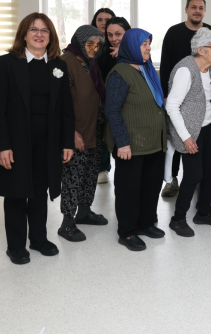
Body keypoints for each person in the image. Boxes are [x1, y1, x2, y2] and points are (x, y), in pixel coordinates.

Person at [0, 13, 75, 265]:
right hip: (16, 143)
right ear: (24, 34)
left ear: (51, 36)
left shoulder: (59, 65)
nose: (39, 34)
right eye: (33, 29)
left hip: (47, 143)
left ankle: (38, 239)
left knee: (39, 192)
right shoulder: (7, 63)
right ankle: (15, 246)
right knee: (16, 193)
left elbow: (66, 109)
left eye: (44, 30)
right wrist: (1, 146)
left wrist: (67, 142)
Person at [105, 28, 167, 251]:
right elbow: (112, 110)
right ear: (132, 46)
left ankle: (146, 223)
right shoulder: (120, 73)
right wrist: (122, 142)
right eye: (144, 44)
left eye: (149, 43)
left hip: (153, 141)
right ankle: (127, 231)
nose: (149, 48)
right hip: (131, 144)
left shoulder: (147, 69)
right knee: (129, 189)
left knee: (151, 185)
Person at [165, 28, 211, 237]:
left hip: (208, 126)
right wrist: (186, 137)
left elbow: (205, 98)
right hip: (191, 131)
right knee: (193, 175)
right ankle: (178, 219)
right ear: (200, 50)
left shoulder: (208, 68)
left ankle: (203, 212)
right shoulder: (186, 70)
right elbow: (172, 106)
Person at [159, 0, 211, 198]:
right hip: (177, 93)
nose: (197, 11)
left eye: (201, 8)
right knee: (177, 139)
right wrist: (166, 95)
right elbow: (165, 64)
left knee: (197, 147)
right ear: (186, 10)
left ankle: (194, 180)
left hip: (198, 99)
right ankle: (172, 180)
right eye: (194, 7)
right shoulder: (174, 32)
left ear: (204, 11)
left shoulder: (210, 32)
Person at [57, 25, 108, 243]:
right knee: (73, 177)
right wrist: (72, 133)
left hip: (93, 129)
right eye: (90, 44)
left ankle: (84, 212)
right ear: (79, 42)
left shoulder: (90, 62)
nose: (94, 49)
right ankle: (67, 223)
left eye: (98, 45)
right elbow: (59, 103)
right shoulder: (65, 62)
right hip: (77, 132)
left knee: (89, 173)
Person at [96, 16, 131, 184]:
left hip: (133, 111)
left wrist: (124, 54)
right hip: (113, 111)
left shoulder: (140, 53)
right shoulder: (103, 57)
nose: (114, 38)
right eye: (110, 35)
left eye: (118, 34)